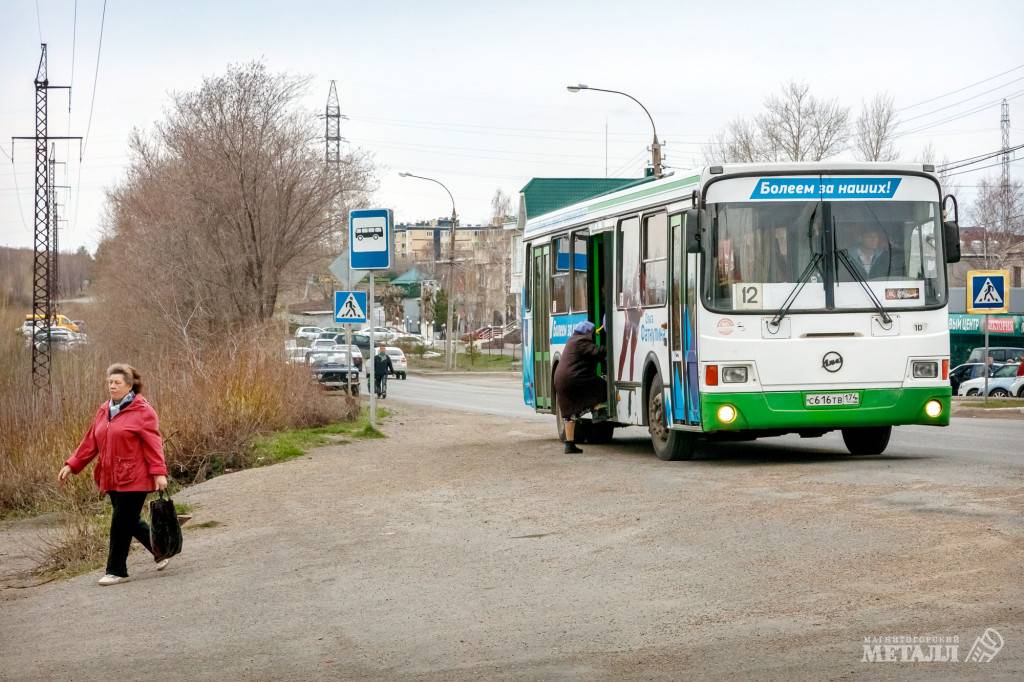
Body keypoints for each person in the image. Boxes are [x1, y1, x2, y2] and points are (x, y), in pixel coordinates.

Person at [57, 364, 170, 585]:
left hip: (135, 477)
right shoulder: (104, 410)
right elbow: (90, 442)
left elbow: (154, 444)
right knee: (130, 520)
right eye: (110, 382)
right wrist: (72, 464)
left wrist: (159, 473)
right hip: (111, 477)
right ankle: (162, 549)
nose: (112, 386)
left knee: (120, 524)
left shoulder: (143, 411)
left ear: (129, 385)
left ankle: (116, 570)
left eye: (117, 382)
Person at [554, 321, 608, 454]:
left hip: (561, 380)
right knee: (603, 387)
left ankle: (569, 444)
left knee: (569, 414)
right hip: (573, 379)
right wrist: (610, 347)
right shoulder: (581, 342)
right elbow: (597, 351)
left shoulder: (572, 340)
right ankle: (596, 409)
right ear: (587, 332)